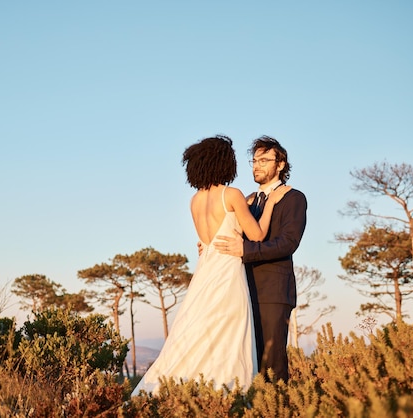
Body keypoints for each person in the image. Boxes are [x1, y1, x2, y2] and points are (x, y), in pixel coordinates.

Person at [131, 135, 290, 396]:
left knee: (198, 333)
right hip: (227, 274)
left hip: (205, 273)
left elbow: (209, 239)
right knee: (228, 336)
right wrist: (271, 204)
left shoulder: (194, 201)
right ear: (225, 163)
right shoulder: (232, 194)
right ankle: (228, 394)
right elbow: (258, 235)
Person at [213, 135, 307, 383]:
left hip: (273, 294)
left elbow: (288, 243)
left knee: (272, 366)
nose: (257, 165)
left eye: (265, 160)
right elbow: (231, 237)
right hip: (239, 292)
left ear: (281, 164)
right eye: (254, 160)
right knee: (245, 365)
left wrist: (246, 250)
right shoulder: (246, 202)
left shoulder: (293, 198)